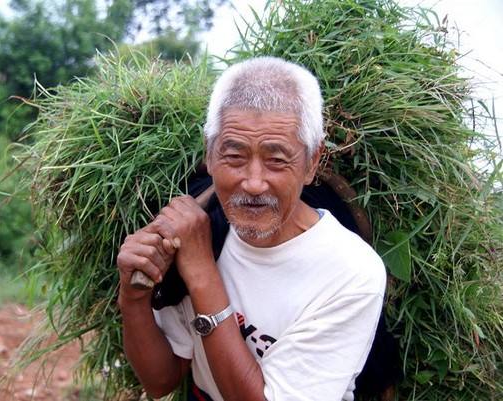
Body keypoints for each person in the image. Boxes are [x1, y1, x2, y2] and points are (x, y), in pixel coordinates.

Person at [116, 56, 386, 401]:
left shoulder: (350, 272)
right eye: (234, 157)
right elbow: (161, 380)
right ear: (210, 156)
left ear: (311, 163)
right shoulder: (203, 230)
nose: (254, 183)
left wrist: (201, 274)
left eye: (276, 159)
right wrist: (133, 297)